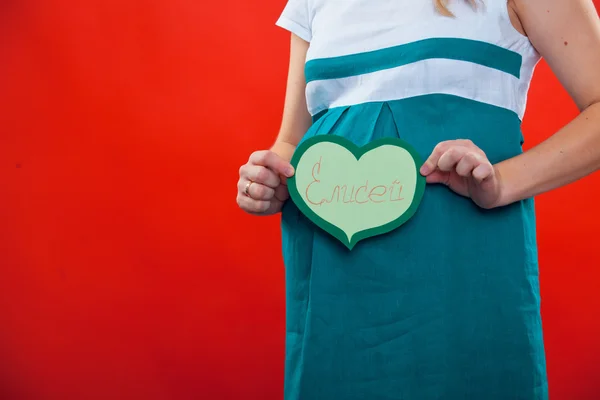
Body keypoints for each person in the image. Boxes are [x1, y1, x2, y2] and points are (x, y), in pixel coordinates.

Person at [236, 0, 600, 398]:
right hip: (334, 278)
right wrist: (269, 181)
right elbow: (292, 141)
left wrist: (503, 182)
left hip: (459, 270)